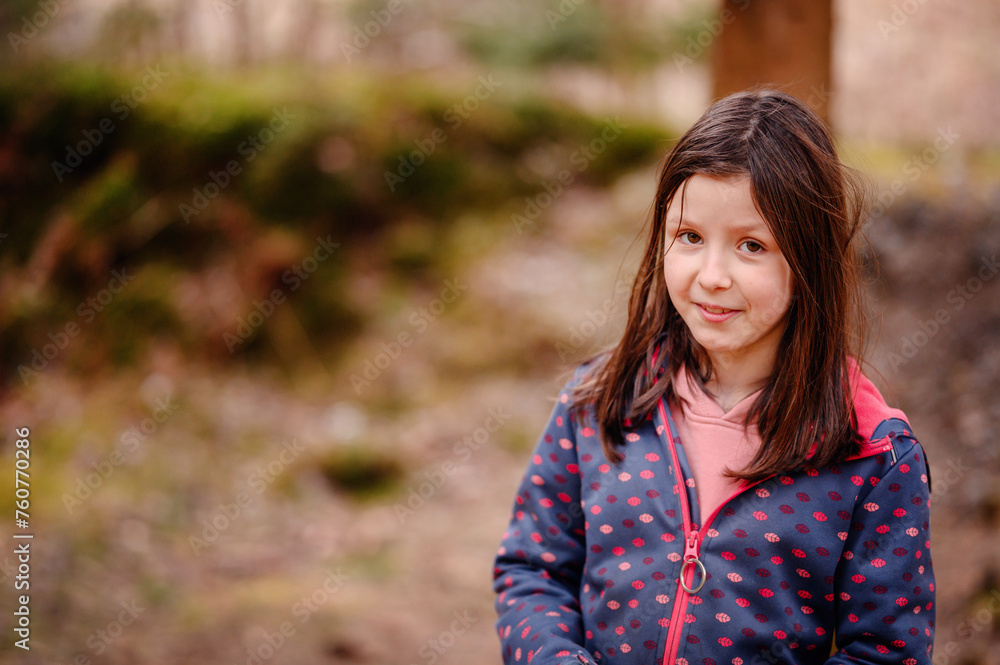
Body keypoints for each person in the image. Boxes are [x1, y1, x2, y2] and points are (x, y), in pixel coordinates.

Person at [491, 89, 935, 665]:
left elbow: (886, 651)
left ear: (810, 260)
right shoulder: (598, 400)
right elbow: (533, 569)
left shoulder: (872, 455)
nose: (712, 275)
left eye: (751, 246)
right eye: (690, 237)